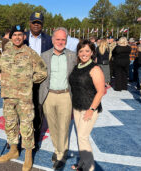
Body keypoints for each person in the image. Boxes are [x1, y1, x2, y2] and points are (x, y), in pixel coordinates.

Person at [0, 24, 47, 171]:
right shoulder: (5, 54)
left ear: (24, 37)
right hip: (8, 97)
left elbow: (43, 72)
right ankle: (13, 150)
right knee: (10, 124)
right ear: (11, 37)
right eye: (14, 35)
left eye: (20, 35)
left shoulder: (30, 53)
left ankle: (28, 155)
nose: (17, 37)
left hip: (24, 98)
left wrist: (29, 79)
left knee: (26, 126)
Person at [39, 27, 77, 170]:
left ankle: (61, 154)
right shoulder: (44, 56)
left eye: (63, 39)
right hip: (49, 96)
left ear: (66, 40)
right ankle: (57, 149)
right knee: (53, 127)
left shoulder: (72, 56)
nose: (60, 42)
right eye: (58, 39)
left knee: (64, 126)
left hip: (66, 95)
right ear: (53, 40)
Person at [69, 40, 105, 171]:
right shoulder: (76, 66)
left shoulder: (95, 68)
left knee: (83, 137)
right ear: (78, 53)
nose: (84, 53)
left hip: (89, 108)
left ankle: (89, 167)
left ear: (92, 52)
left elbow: (101, 91)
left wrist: (91, 109)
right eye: (81, 51)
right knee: (80, 137)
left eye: (87, 51)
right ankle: (82, 164)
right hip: (77, 107)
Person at [24, 11, 53, 150]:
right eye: (34, 22)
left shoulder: (49, 40)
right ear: (30, 23)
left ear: (42, 25)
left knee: (38, 109)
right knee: (22, 110)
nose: (36, 25)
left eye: (39, 23)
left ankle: (35, 139)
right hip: (23, 80)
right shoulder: (22, 38)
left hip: (41, 81)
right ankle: (20, 138)